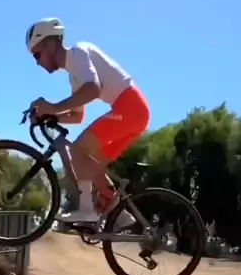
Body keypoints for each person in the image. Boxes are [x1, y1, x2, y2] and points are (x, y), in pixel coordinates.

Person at [26, 17, 150, 224]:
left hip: (130, 107)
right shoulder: (74, 75)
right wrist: (50, 116)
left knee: (78, 150)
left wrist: (52, 107)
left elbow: (92, 90)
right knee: (92, 167)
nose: (37, 62)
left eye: (37, 54)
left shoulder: (79, 52)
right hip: (133, 112)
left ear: (51, 44)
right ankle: (120, 216)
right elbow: (78, 116)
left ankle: (86, 210)